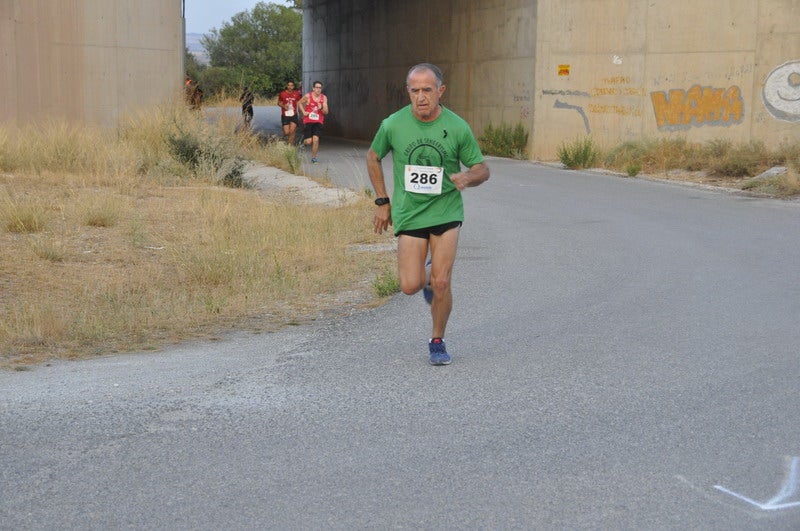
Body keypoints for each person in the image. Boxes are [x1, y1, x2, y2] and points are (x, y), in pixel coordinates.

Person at [367, 63, 490, 366]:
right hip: (410, 213)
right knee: (409, 285)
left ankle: (437, 339)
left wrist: (468, 178)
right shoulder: (393, 124)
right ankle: (427, 280)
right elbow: (373, 156)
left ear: (440, 91)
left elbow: (482, 168)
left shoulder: (457, 126)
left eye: (427, 90)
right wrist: (383, 201)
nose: (421, 97)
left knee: (443, 282)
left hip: (446, 210)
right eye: (415, 90)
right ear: (408, 92)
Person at [298, 81, 329, 163]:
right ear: (313, 88)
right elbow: (299, 103)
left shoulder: (324, 98)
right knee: (309, 141)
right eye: (317, 87)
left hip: (319, 121)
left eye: (320, 88)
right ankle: (303, 143)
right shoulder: (308, 96)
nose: (318, 89)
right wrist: (304, 112)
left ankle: (314, 158)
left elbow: (326, 112)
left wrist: (321, 107)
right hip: (308, 120)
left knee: (315, 139)